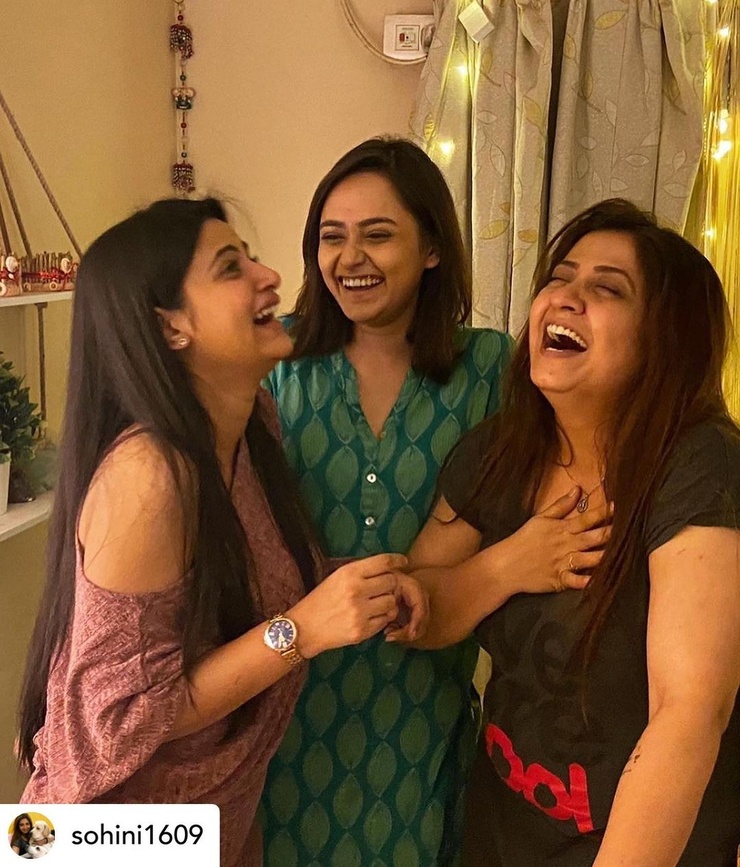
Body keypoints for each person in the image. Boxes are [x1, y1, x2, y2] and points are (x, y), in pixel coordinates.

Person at [16, 198, 426, 867]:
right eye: (232, 267)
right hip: (105, 842)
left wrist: (360, 589)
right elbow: (123, 717)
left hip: (211, 828)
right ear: (170, 326)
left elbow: (246, 590)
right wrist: (302, 630)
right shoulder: (149, 477)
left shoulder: (252, 424)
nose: (270, 277)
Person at [260, 137, 603, 866]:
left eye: (378, 235)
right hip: (281, 702)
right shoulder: (273, 361)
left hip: (420, 715)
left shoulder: (491, 369)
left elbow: (568, 481)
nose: (350, 257)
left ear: (433, 250)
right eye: (331, 236)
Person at [403, 199, 740, 865]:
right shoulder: (500, 448)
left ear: (665, 339)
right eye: (559, 277)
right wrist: (509, 565)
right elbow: (419, 610)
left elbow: (688, 713)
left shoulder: (701, 465)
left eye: (608, 288)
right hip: (501, 833)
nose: (565, 296)